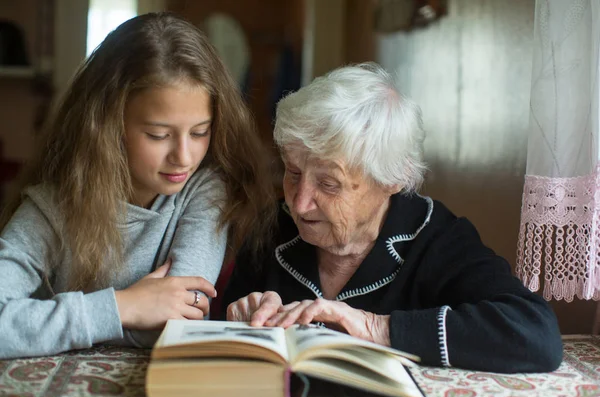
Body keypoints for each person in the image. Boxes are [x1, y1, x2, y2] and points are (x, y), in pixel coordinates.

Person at [222, 63, 563, 373]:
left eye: (328, 183)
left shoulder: (436, 238)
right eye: (293, 173)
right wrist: (239, 316)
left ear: (390, 180)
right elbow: (213, 337)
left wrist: (376, 328)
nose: (298, 202)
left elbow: (535, 333)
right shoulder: (273, 229)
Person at [0, 12, 276, 359]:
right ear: (107, 127)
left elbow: (176, 323)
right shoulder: (51, 207)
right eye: (159, 135)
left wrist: (43, 324)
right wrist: (123, 306)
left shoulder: (205, 190)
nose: (184, 157)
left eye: (200, 132)